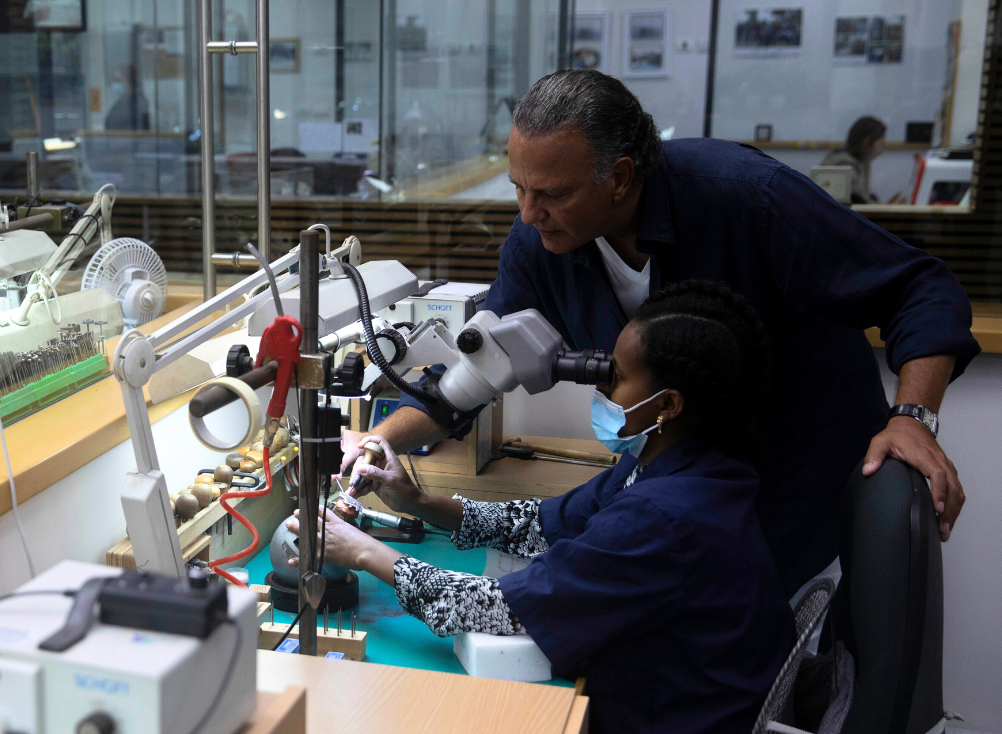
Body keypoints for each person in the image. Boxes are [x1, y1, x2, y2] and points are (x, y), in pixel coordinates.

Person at [342, 70, 978, 598]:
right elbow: (481, 370)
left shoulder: (747, 199)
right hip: (687, 505)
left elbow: (919, 286)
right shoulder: (544, 243)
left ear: (618, 177)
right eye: (518, 188)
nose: (528, 214)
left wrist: (912, 417)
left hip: (799, 485)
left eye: (551, 194)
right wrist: (379, 442)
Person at [296, 281, 794, 734]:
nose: (600, 384)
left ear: (667, 404)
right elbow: (539, 524)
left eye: (617, 377)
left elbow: (497, 608)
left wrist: (361, 550)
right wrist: (416, 500)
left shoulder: (667, 516)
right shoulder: (680, 464)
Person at [820, 116, 901, 204]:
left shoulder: (858, 162)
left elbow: (866, 196)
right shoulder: (844, 163)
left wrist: (886, 206)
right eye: (881, 144)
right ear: (867, 142)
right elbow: (858, 201)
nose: (881, 151)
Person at [104, 65, 150, 131]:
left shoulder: (138, 102)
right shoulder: (122, 101)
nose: (115, 84)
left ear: (128, 81)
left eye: (118, 80)